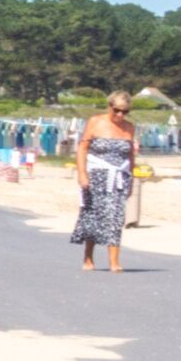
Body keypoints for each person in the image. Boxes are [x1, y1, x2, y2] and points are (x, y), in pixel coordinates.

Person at [73, 93, 139, 271]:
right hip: (96, 175)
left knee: (116, 217)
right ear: (109, 106)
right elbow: (83, 148)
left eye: (124, 112)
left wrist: (131, 179)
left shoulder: (129, 128)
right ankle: (88, 257)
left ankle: (114, 262)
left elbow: (131, 155)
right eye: (116, 110)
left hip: (119, 177)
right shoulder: (95, 122)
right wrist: (82, 173)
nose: (119, 115)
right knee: (93, 216)